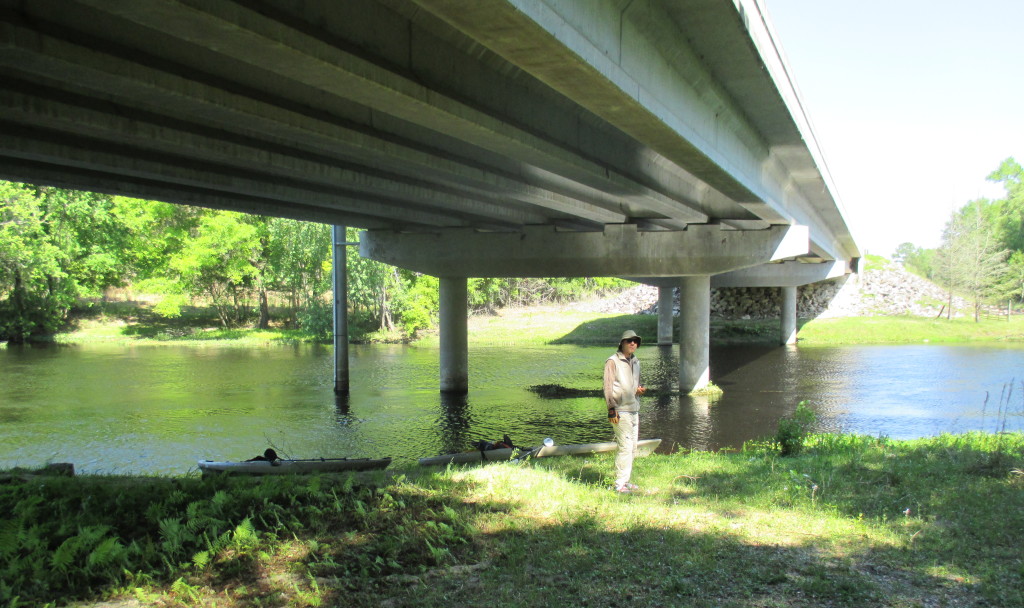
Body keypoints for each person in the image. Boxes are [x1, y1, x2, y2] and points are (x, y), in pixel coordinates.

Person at [603, 329, 646, 493]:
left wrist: (638, 389)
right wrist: (611, 409)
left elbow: (631, 386)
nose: (632, 343)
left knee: (633, 447)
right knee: (625, 447)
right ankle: (619, 484)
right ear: (622, 343)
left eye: (635, 341)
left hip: (634, 408)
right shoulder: (612, 361)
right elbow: (607, 387)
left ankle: (626, 481)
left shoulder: (636, 361)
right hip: (620, 410)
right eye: (629, 341)